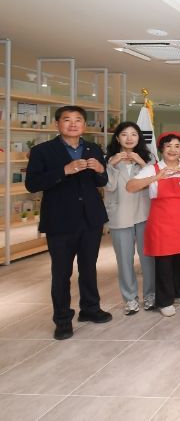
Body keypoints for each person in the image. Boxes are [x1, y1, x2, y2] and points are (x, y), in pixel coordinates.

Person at [25, 105, 112, 340]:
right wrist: (64, 170)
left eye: (78, 120)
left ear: (84, 125)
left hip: (90, 219)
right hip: (60, 221)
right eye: (67, 120)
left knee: (89, 268)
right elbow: (32, 184)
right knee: (61, 272)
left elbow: (102, 181)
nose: (73, 124)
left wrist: (100, 169)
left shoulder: (93, 148)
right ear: (57, 124)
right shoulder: (42, 151)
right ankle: (62, 320)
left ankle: (90, 309)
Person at [127, 131, 180, 317]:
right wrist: (155, 178)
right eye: (168, 146)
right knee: (164, 262)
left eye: (177, 146)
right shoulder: (153, 169)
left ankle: (179, 293)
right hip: (162, 222)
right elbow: (130, 186)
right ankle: (164, 301)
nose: (173, 150)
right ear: (161, 149)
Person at [104, 121, 156, 315]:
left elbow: (155, 184)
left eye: (133, 134)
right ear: (118, 138)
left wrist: (141, 162)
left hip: (144, 214)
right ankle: (130, 299)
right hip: (119, 215)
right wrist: (112, 165)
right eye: (124, 134)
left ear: (139, 138)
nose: (129, 138)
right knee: (124, 260)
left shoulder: (148, 159)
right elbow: (108, 186)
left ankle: (150, 295)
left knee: (148, 258)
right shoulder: (108, 160)